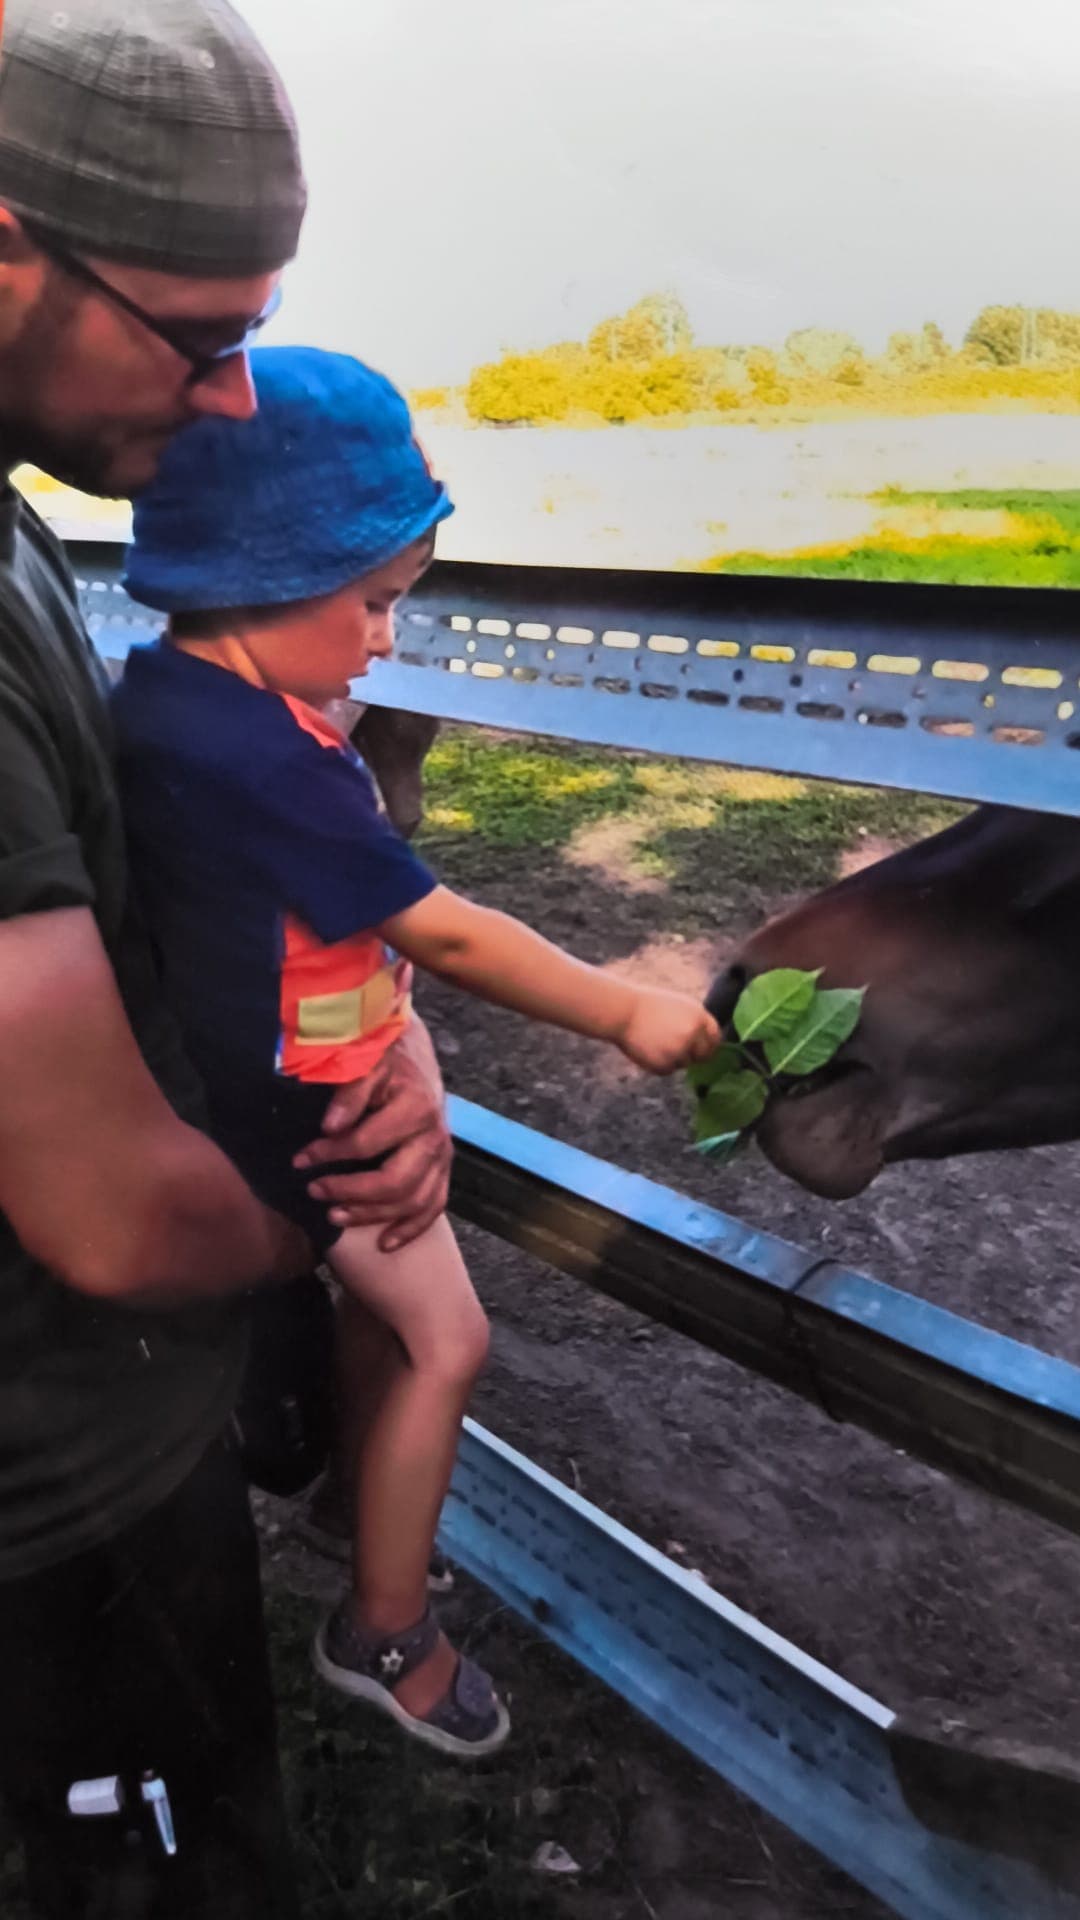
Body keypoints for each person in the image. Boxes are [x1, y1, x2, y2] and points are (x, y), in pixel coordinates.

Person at [0, 5, 453, 1915]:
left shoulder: (26, 542)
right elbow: (108, 1213)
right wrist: (334, 1215)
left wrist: (391, 1045)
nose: (239, 399)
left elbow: (155, 902)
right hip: (51, 1515)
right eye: (201, 336)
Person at [114, 344, 723, 1760]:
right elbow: (444, 932)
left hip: (253, 1083)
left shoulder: (171, 703)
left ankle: (365, 1511)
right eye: (375, 603)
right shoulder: (270, 761)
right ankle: (382, 1630)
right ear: (265, 577)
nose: (388, 643)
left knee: (398, 1331)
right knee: (450, 1339)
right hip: (305, 1123)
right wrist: (623, 1008)